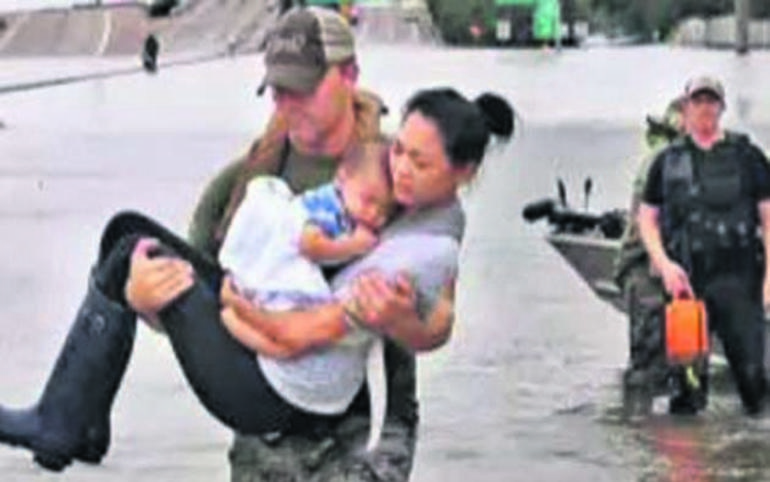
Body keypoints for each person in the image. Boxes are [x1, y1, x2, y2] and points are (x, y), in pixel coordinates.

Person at [0, 8, 515, 479]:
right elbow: (194, 308)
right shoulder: (248, 179)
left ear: (349, 75)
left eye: (303, 89)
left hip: (343, 441)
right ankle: (77, 423)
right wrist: (140, 301)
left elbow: (437, 318)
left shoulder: (397, 176)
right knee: (126, 236)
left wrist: (401, 320)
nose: (289, 105)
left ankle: (66, 424)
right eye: (278, 91)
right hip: (259, 443)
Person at [218, 142, 395, 450]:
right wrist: (354, 245)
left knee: (285, 345)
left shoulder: (355, 209)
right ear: (342, 178)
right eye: (368, 201)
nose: (374, 214)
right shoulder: (327, 204)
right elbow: (309, 245)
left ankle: (235, 319)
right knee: (283, 344)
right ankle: (233, 320)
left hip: (302, 333)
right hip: (283, 277)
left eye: (385, 210)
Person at [637, 75, 770, 416]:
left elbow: (769, 219)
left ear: (722, 107)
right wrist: (664, 265)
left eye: (711, 101)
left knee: (754, 384)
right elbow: (647, 219)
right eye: (698, 101)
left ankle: (751, 448)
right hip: (688, 285)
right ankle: (688, 445)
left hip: (740, 281)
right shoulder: (667, 161)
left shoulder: (749, 157)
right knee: (687, 392)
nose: (705, 108)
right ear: (686, 107)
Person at [614, 96, 686, 414]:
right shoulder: (661, 163)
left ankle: (675, 434)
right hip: (648, 275)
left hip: (677, 279)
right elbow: (649, 225)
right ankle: (639, 433)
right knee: (648, 371)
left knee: (684, 372)